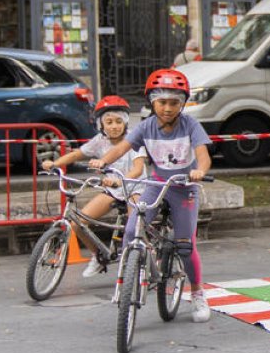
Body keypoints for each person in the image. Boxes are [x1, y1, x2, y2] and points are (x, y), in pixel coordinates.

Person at [91, 68, 214, 323]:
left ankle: (198, 292)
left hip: (183, 188)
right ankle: (130, 276)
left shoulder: (190, 124)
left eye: (173, 103)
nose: (167, 108)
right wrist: (102, 160)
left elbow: (203, 154)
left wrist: (199, 171)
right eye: (162, 102)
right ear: (152, 102)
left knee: (185, 245)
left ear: (182, 104)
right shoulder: (146, 126)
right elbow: (122, 148)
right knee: (132, 228)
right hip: (156, 184)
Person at [41, 96, 146, 277]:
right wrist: (55, 164)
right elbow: (76, 155)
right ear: (101, 125)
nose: (114, 126)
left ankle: (144, 257)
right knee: (77, 223)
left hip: (135, 188)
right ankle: (98, 256)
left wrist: (120, 181)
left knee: (133, 226)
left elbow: (138, 170)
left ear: (126, 122)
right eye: (109, 122)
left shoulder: (133, 140)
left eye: (118, 121)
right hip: (112, 190)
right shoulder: (99, 141)